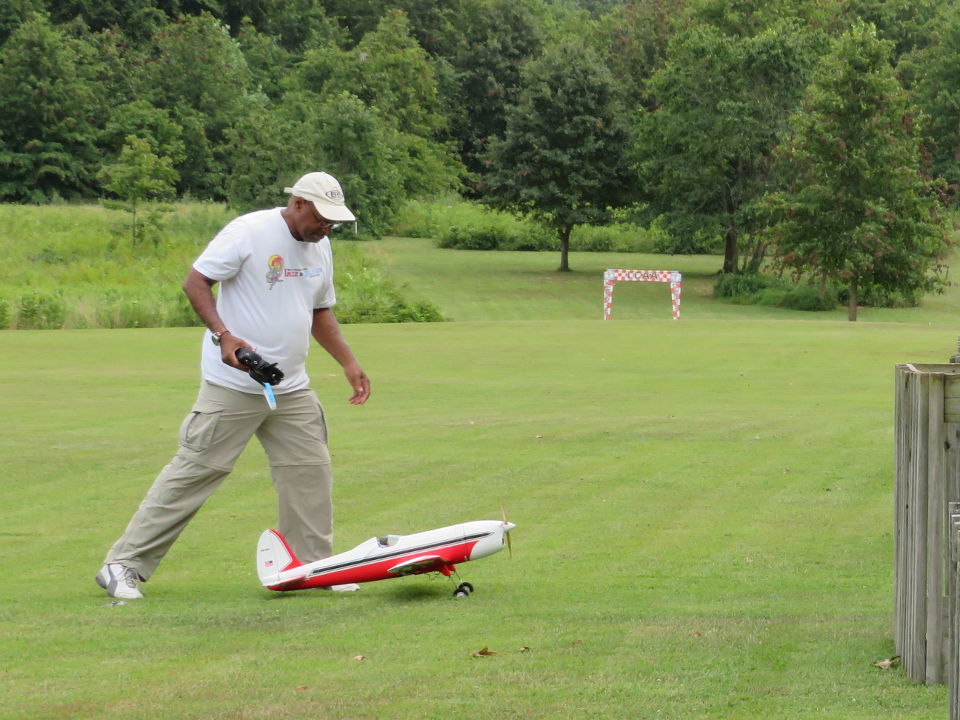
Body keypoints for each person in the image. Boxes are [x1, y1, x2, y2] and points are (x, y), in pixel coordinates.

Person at [95, 171, 371, 599]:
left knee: (310, 475)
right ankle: (122, 565)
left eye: (333, 222)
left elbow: (320, 311)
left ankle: (312, 568)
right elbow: (196, 281)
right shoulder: (249, 231)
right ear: (298, 204)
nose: (326, 227)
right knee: (194, 473)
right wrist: (225, 335)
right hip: (232, 384)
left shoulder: (322, 246)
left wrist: (349, 362)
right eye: (321, 217)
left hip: (291, 386)